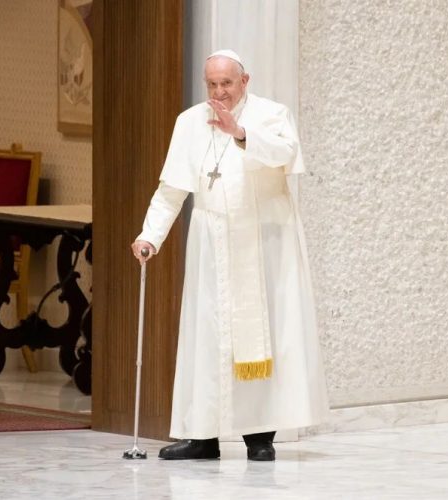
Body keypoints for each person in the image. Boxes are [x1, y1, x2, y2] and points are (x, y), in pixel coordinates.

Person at [132, 49, 329, 461]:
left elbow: (285, 155)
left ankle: (259, 437)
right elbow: (172, 189)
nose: (219, 91)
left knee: (260, 335)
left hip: (263, 241)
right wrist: (150, 235)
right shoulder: (189, 122)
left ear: (245, 81)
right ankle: (201, 437)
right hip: (211, 244)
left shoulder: (272, 115)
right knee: (206, 337)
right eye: (212, 84)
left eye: (227, 83)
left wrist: (239, 133)